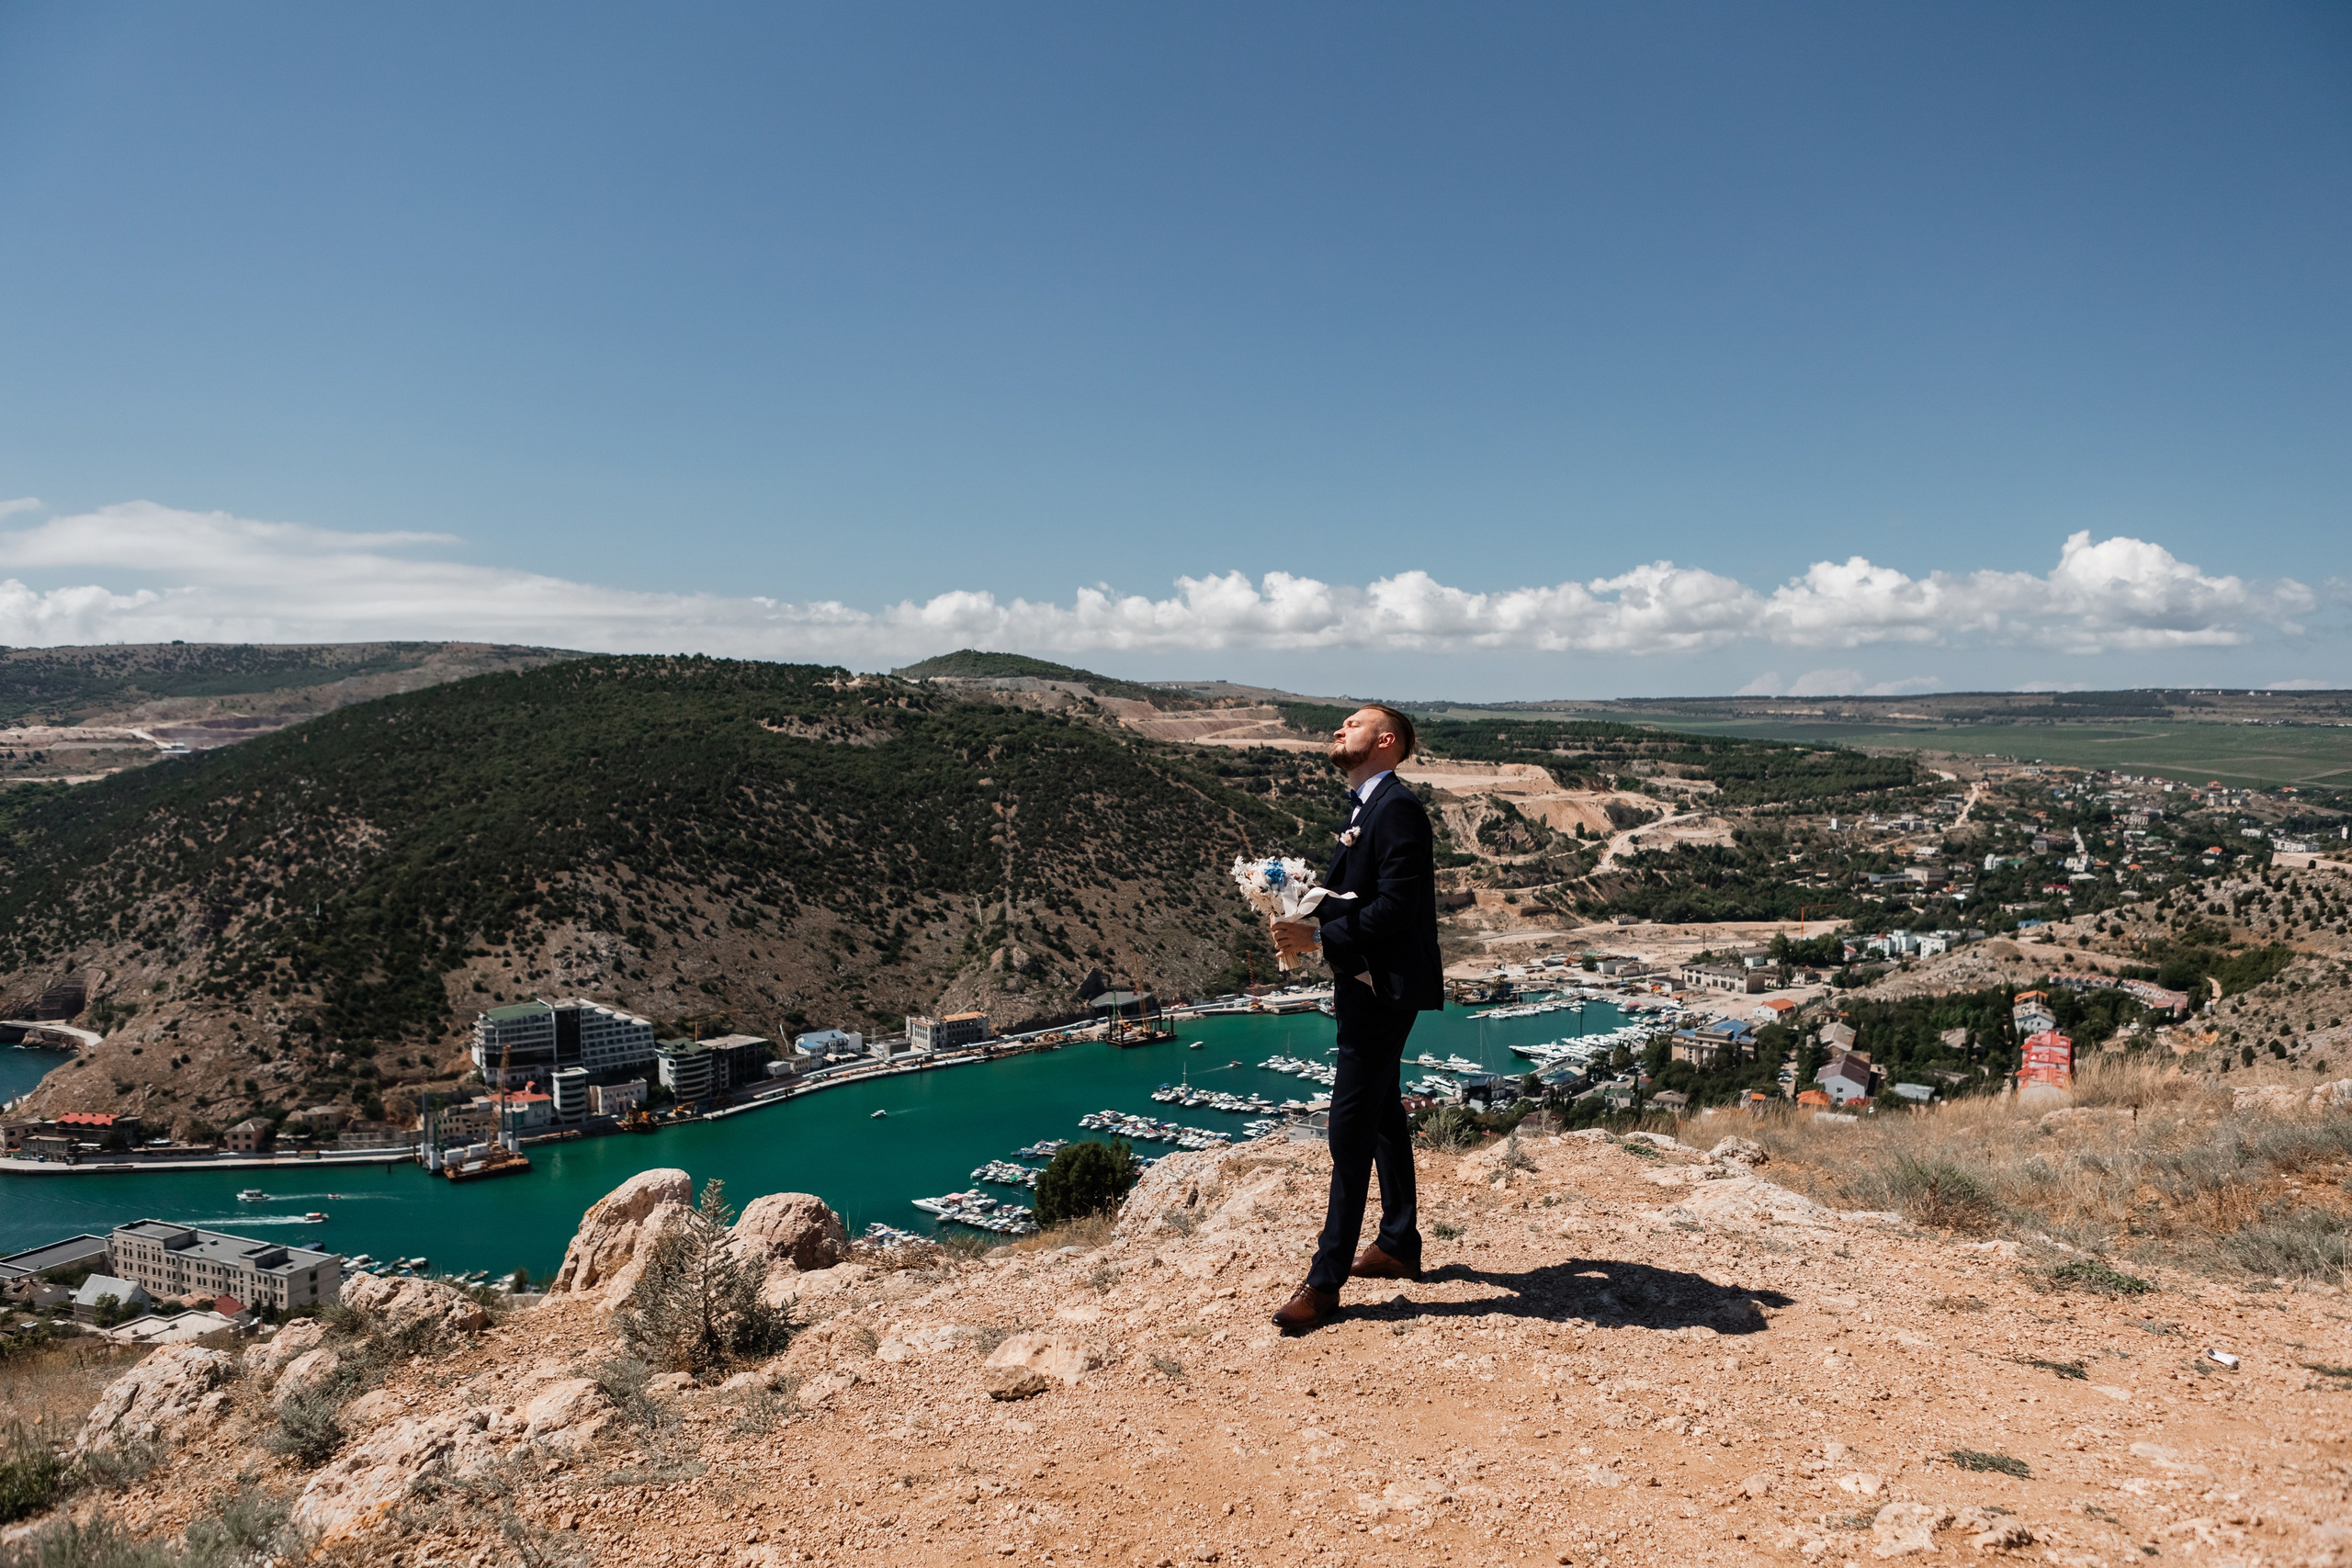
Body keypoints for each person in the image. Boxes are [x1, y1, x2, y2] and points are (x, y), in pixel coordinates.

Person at [1267, 704, 1443, 1332]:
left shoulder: (1395, 808)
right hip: (1368, 984)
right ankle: (1398, 1241)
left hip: (1383, 988)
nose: (1340, 728)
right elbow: (1362, 897)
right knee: (1383, 1110)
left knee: (1349, 1129)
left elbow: (1399, 907)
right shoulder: (1366, 804)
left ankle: (1324, 1282)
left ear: (1386, 741)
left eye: (1354, 722)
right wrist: (1304, 913)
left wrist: (1316, 941)